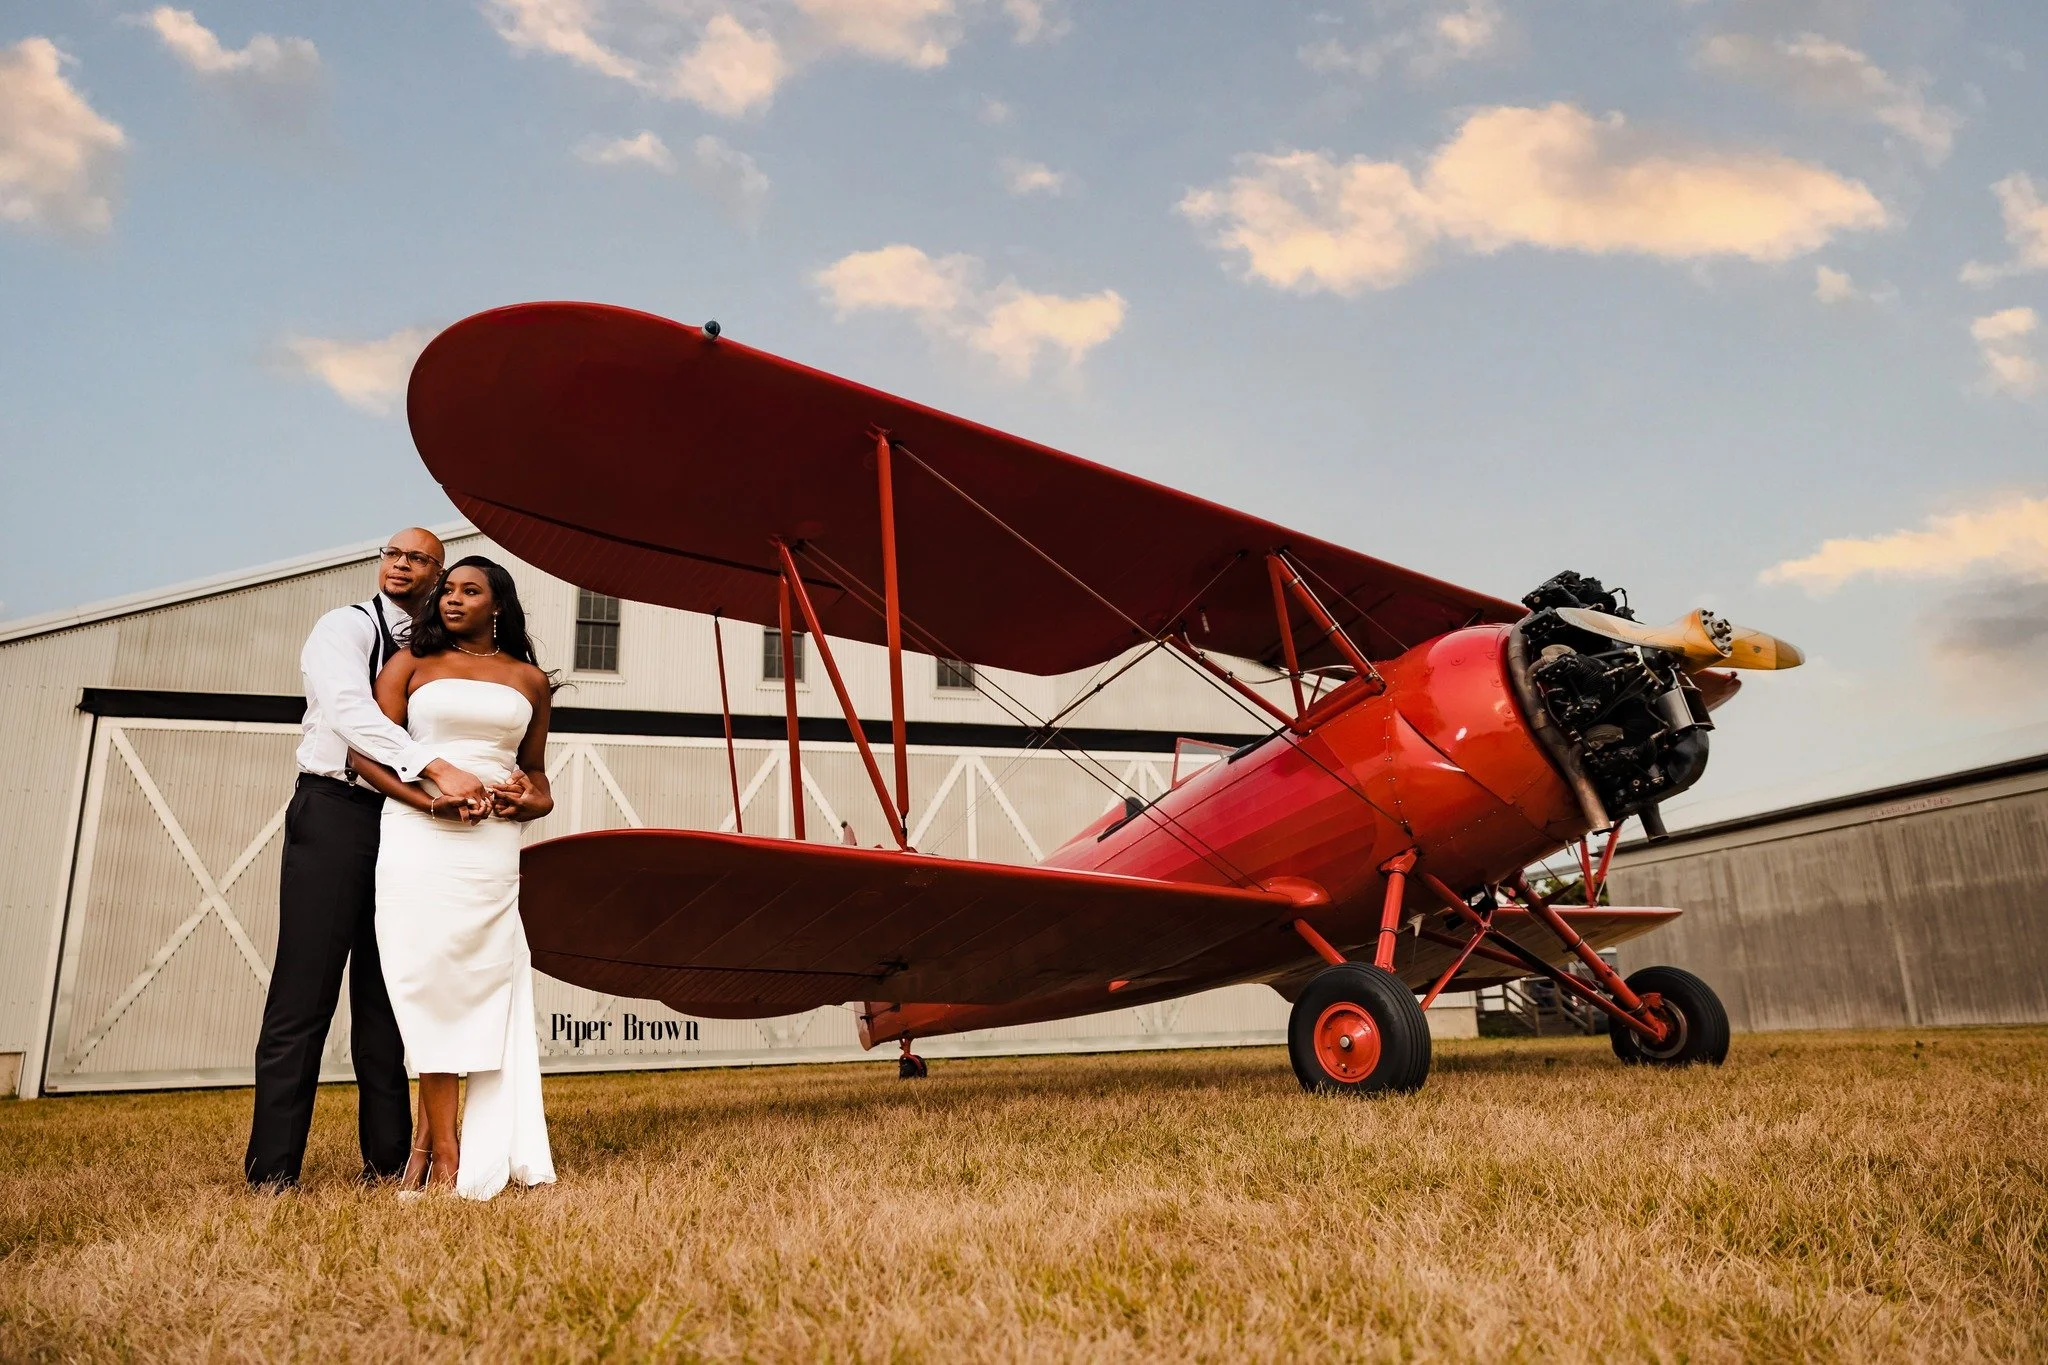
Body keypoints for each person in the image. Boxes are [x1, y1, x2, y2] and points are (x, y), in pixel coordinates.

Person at [246, 527, 489, 1190]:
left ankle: (385, 1164)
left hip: (404, 821)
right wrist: (436, 768)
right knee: (304, 996)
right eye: (393, 553)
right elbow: (351, 712)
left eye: (417, 558)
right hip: (333, 811)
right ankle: (272, 1172)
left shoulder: (439, 651)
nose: (401, 564)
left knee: (388, 995)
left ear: (438, 573)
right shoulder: (343, 627)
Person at [348, 555, 558, 1200]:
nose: (452, 599)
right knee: (426, 981)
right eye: (448, 590)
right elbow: (365, 754)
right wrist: (427, 801)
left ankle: (445, 1146)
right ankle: (442, 1149)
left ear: (499, 605)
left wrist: (527, 803)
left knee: (479, 989)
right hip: (418, 836)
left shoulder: (529, 680)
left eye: (470, 591)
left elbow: (540, 779)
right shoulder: (409, 666)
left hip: (492, 848)